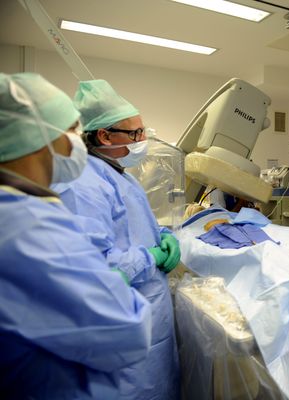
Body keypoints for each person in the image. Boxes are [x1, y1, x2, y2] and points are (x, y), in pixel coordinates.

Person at [0, 73, 152, 399]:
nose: (76, 140)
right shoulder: (26, 225)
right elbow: (124, 329)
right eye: (70, 131)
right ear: (37, 135)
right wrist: (146, 260)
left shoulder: (25, 209)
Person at [52, 80, 180, 400]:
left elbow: (135, 228)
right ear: (104, 136)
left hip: (148, 319)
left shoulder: (119, 174)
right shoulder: (83, 183)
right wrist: (151, 256)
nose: (142, 141)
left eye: (143, 131)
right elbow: (97, 268)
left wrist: (162, 237)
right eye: (134, 134)